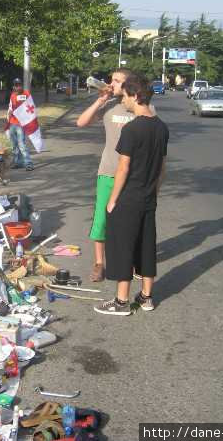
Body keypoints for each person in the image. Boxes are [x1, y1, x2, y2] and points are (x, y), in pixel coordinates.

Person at [94, 73, 169, 316]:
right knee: (147, 246)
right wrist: (153, 192)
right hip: (148, 198)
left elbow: (123, 168)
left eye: (126, 96)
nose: (124, 101)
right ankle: (147, 297)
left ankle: (121, 301)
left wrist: (113, 200)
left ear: (136, 96)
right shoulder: (161, 127)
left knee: (122, 247)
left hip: (128, 198)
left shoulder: (132, 129)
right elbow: (163, 168)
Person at [76, 68, 134, 282]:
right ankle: (100, 263)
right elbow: (81, 122)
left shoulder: (140, 108)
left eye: (118, 81)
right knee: (101, 220)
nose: (112, 84)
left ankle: (130, 259)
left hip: (133, 175)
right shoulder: (109, 105)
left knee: (130, 220)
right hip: (108, 172)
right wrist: (100, 101)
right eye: (112, 80)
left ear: (129, 85)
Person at [5, 78, 34, 171]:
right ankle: (18, 162)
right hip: (12, 122)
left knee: (21, 144)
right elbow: (10, 107)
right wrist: (8, 117)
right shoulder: (13, 95)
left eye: (19, 85)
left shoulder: (26, 94)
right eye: (15, 85)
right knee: (14, 145)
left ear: (21, 85)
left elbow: (31, 107)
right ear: (13, 86)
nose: (17, 86)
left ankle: (28, 163)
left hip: (21, 123)